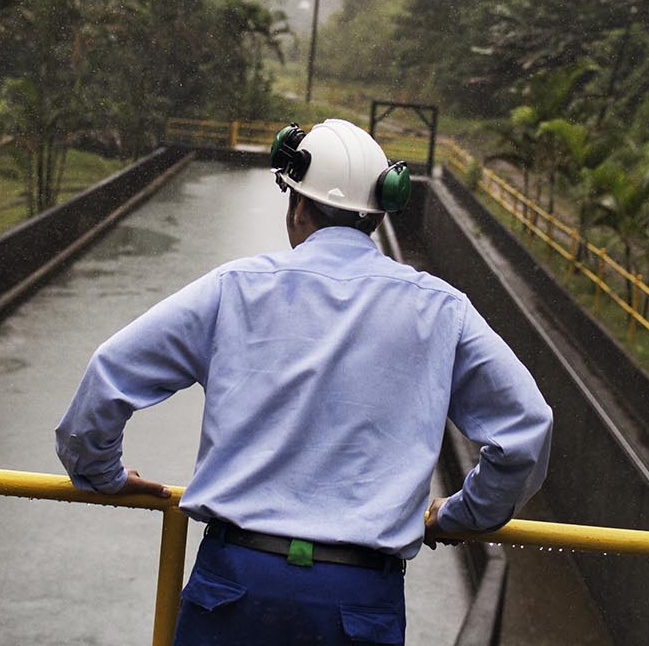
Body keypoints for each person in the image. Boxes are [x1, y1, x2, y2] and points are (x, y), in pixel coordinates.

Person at [54, 118, 553, 645]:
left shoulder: (234, 289)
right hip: (359, 598)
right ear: (376, 213)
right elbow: (525, 431)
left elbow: (110, 373)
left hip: (235, 583)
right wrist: (459, 516)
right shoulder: (441, 310)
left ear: (296, 205)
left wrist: (99, 472)